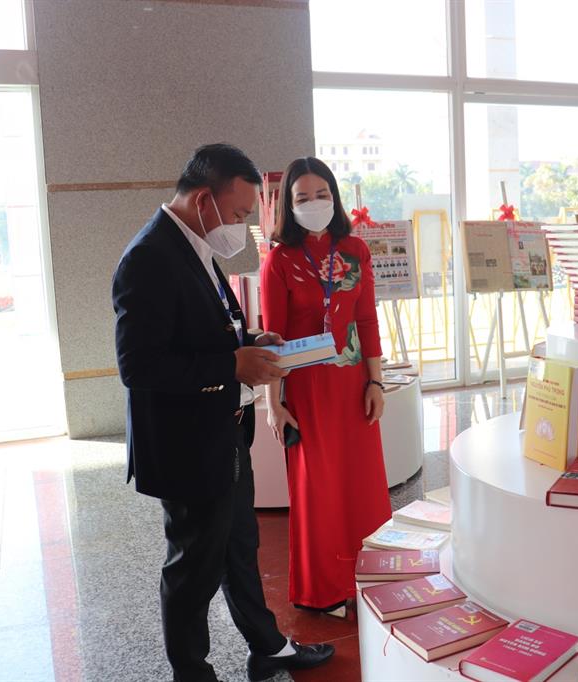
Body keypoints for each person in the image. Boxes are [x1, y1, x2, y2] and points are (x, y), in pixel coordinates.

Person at [112, 144, 335, 682]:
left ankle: (268, 647)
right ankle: (192, 673)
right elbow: (138, 365)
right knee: (193, 568)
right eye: (238, 213)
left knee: (240, 547)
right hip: (186, 444)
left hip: (223, 432)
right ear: (204, 200)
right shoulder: (148, 258)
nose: (240, 226)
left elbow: (202, 329)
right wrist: (231, 364)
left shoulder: (194, 245)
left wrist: (251, 342)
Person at [260, 157, 392, 617]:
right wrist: (273, 405)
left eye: (321, 194)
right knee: (318, 491)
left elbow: (366, 319)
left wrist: (376, 381)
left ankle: (371, 577)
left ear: (334, 197)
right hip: (307, 391)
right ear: (288, 205)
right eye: (302, 197)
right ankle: (323, 590)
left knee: (362, 484)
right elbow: (272, 339)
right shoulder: (279, 260)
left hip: (354, 385)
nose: (313, 203)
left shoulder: (355, 250)